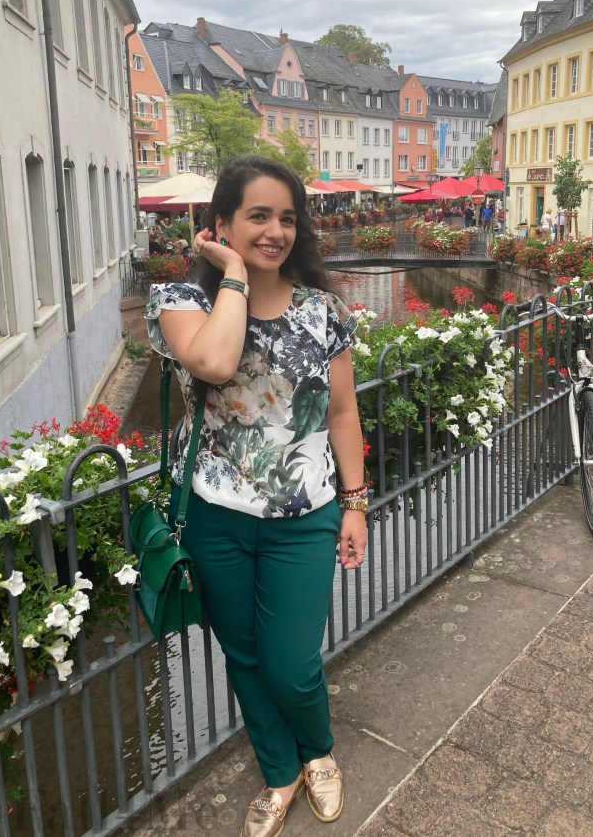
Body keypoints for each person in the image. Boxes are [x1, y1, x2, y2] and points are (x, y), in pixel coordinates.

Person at [146, 156, 367, 836]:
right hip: (212, 517)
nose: (274, 231)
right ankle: (279, 770)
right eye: (257, 216)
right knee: (241, 654)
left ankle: (318, 753)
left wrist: (355, 502)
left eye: (285, 219)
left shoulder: (322, 313)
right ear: (222, 225)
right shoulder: (181, 302)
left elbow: (341, 414)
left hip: (303, 515)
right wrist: (235, 277)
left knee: (291, 662)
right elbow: (213, 362)